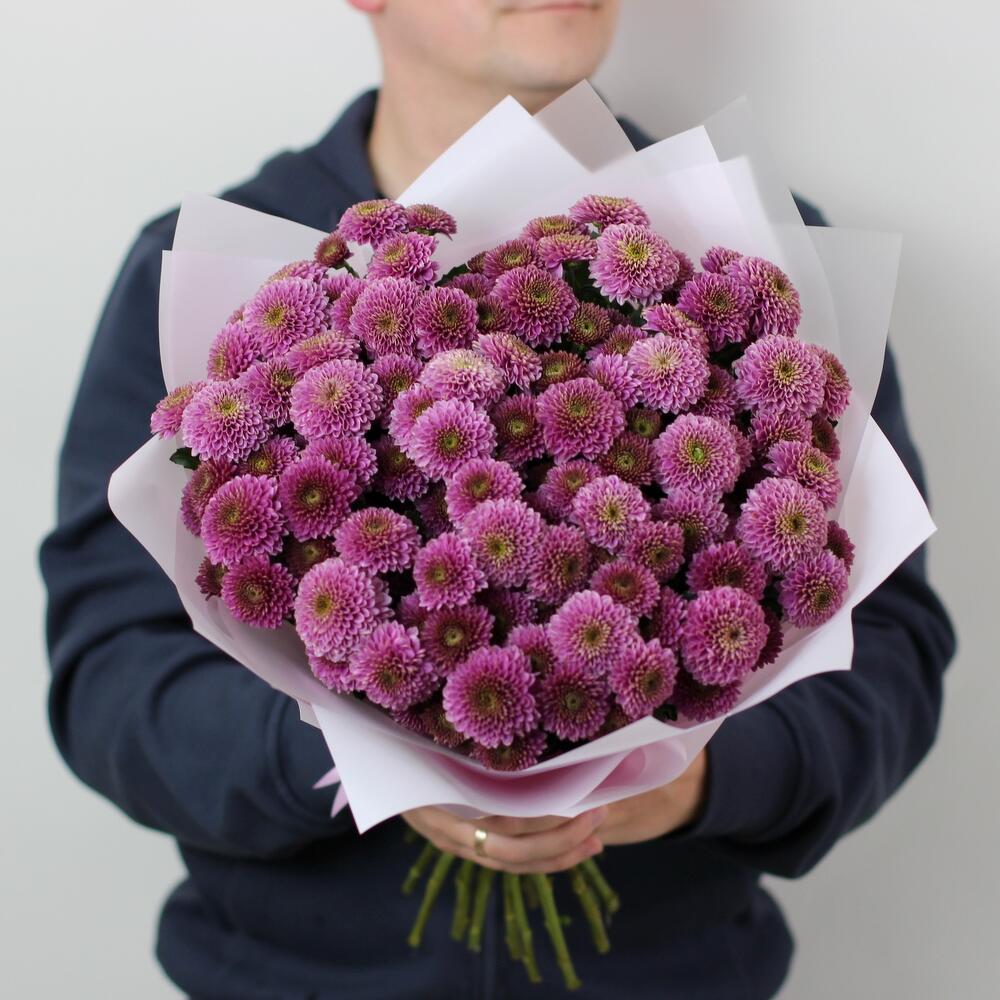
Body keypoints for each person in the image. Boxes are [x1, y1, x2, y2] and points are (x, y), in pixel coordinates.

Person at [38, 1, 956, 997]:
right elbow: (110, 674)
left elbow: (887, 647)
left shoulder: (753, 262)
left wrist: (699, 780)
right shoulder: (212, 266)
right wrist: (349, 759)